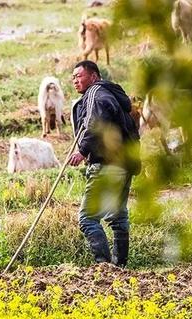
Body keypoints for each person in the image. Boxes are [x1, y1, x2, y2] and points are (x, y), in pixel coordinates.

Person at [69, 60, 139, 267]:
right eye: (73, 77)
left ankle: (104, 268)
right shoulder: (113, 95)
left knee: (87, 218)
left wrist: (82, 151)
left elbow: (94, 123)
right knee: (117, 216)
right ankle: (120, 267)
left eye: (79, 76)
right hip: (125, 164)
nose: (75, 81)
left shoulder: (95, 94)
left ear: (93, 76)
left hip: (106, 165)